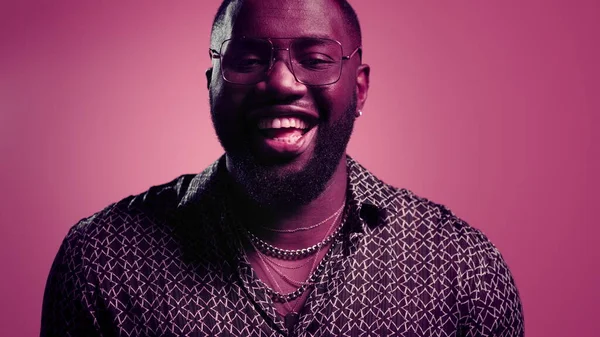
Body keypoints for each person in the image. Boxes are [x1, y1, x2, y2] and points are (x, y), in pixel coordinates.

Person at [41, 0, 524, 336]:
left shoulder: (462, 273)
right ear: (212, 84)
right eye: (248, 58)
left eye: (315, 59)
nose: (280, 82)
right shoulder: (103, 264)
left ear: (359, 90)